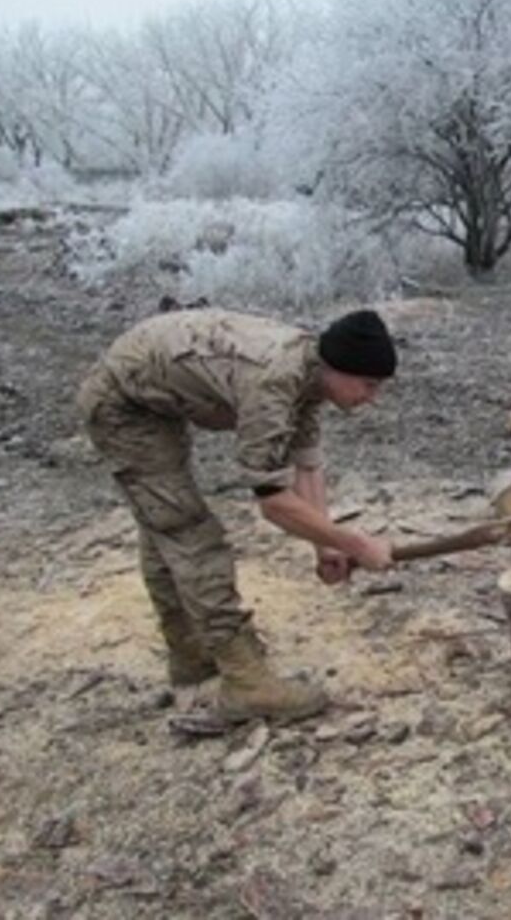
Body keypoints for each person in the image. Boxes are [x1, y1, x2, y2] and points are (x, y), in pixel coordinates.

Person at [76, 307, 398, 721]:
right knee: (188, 533)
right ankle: (246, 681)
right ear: (336, 368)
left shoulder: (309, 375)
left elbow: (306, 466)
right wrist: (355, 543)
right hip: (123, 404)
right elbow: (273, 502)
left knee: (165, 528)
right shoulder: (273, 380)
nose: (372, 399)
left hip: (151, 397)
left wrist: (325, 547)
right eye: (368, 385)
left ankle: (193, 663)